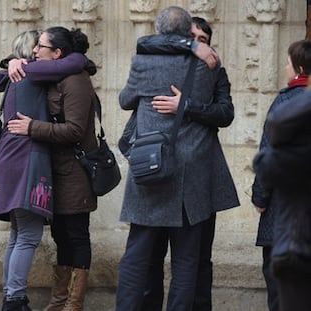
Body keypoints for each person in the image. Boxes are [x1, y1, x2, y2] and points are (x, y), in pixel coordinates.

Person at [115, 6, 239, 311]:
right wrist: (194, 47)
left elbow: (124, 100)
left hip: (150, 168)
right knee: (186, 261)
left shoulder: (143, 62)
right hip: (191, 173)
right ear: (188, 34)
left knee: (136, 256)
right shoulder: (208, 66)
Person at [0, 30, 91, 311]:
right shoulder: (31, 75)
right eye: (35, 48)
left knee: (18, 233)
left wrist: (11, 62)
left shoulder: (16, 77)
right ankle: (15, 299)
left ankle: (11, 296)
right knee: (28, 235)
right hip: (26, 159)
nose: (37, 53)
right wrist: (79, 55)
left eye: (41, 48)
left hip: (11, 158)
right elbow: (70, 64)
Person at [251, 39, 311, 311]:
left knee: (281, 293)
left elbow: (268, 157)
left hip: (290, 219)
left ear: (299, 68)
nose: (285, 68)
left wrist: (260, 197)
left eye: (287, 63)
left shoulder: (287, 104)